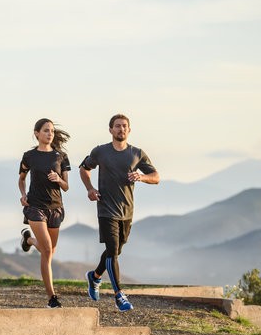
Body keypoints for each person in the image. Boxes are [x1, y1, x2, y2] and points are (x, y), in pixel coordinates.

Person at [79, 113, 159, 311]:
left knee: (115, 251)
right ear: (110, 130)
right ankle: (119, 295)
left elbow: (156, 176)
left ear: (129, 130)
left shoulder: (137, 153)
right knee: (113, 250)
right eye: (117, 126)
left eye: (124, 126)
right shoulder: (100, 152)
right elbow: (83, 168)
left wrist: (141, 177)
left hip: (127, 211)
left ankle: (95, 276)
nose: (121, 129)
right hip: (106, 209)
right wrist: (90, 188)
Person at [18, 118, 71, 308]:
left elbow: (66, 187)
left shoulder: (61, 157)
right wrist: (23, 195)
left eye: (52, 131)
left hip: (55, 208)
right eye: (46, 130)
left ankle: (29, 240)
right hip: (35, 206)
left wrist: (58, 179)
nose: (50, 134)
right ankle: (52, 298)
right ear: (37, 133)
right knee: (47, 250)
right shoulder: (29, 156)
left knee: (49, 251)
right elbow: (21, 179)